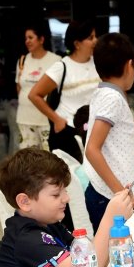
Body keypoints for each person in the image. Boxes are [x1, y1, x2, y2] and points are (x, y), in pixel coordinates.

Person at [0, 148, 134, 267]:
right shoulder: (26, 238)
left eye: (65, 190)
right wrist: (109, 218)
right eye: (56, 194)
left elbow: (94, 259)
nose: (66, 198)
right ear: (25, 201)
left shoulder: (49, 224)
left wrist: (116, 227)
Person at [84, 33, 134, 232]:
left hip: (112, 194)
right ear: (129, 65)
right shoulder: (112, 98)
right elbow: (92, 150)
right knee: (117, 254)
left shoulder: (109, 94)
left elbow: (130, 146)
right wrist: (121, 193)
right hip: (107, 197)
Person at [28, 20, 99, 162]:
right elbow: (34, 95)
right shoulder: (62, 66)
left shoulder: (97, 62)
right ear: (77, 44)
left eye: (95, 36)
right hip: (68, 132)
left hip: (94, 129)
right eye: (90, 38)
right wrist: (56, 119)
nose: (95, 41)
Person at [15, 24, 61, 150]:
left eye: (31, 37)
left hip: (46, 118)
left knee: (49, 156)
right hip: (24, 117)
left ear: (41, 39)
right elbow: (19, 87)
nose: (27, 41)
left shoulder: (55, 60)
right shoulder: (22, 60)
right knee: (28, 159)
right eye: (26, 38)